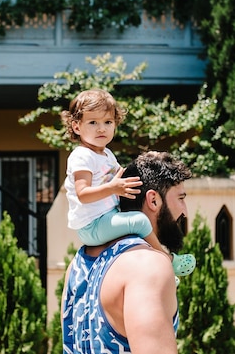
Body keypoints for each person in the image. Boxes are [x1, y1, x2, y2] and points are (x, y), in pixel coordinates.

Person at [62, 151, 193, 354]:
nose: (185, 211)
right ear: (153, 200)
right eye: (181, 198)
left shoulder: (78, 265)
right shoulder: (147, 265)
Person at [61, 89, 195, 277]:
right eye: (93, 122)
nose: (101, 128)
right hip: (92, 225)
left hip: (106, 217)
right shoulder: (82, 156)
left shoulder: (106, 154)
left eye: (108, 122)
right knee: (139, 221)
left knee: (134, 220)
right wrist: (112, 188)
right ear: (76, 127)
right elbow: (83, 194)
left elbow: (122, 175)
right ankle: (167, 261)